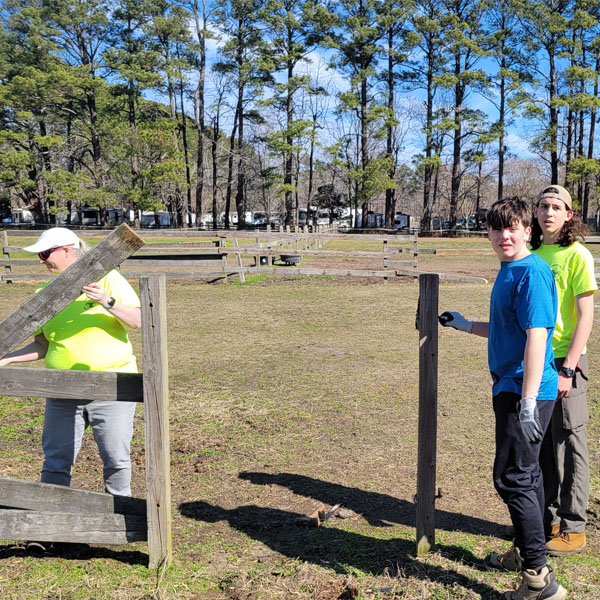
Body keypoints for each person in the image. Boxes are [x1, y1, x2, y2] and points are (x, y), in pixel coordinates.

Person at [440, 197, 566, 600]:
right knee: (526, 476)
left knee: (512, 478)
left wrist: (528, 399)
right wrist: (465, 325)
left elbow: (537, 336)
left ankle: (537, 580)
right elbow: (507, 329)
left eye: (512, 228)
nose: (504, 236)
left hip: (523, 390)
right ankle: (526, 553)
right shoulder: (509, 270)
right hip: (512, 387)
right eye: (496, 229)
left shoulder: (532, 272)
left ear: (528, 230)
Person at [0, 227, 141, 497]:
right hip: (61, 389)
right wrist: (7, 359)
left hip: (111, 387)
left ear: (66, 250)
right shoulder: (44, 293)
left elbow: (137, 321)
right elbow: (43, 344)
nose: (41, 260)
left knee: (116, 458)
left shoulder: (108, 279)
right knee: (56, 459)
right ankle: (51, 524)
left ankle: (122, 518)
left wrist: (106, 301)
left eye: (44, 253)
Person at [531, 184, 597, 556]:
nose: (549, 212)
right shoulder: (535, 254)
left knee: (572, 443)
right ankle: (551, 518)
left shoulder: (578, 255)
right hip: (537, 359)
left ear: (569, 215)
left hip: (566, 361)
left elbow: (586, 317)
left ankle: (574, 527)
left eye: (557, 207)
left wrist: (569, 367)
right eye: (543, 206)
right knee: (545, 447)